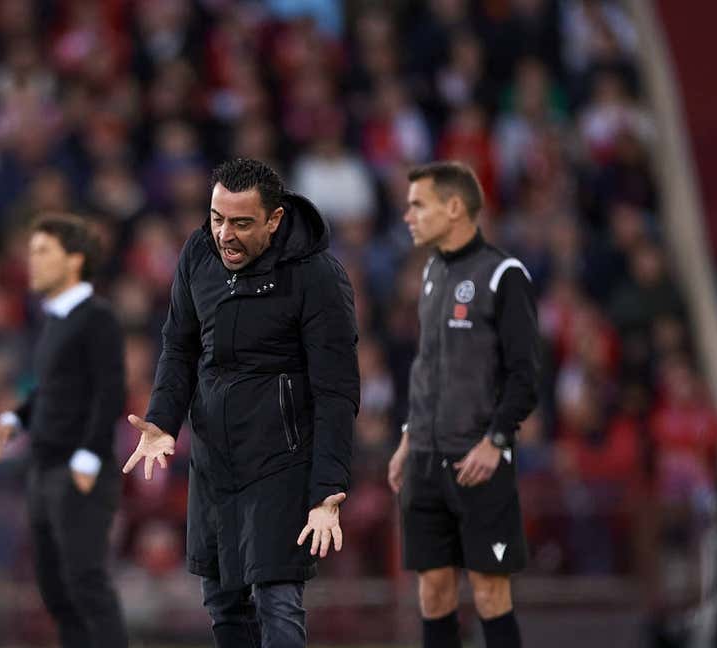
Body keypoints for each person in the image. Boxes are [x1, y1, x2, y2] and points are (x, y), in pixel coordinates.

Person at [121, 158, 359, 648]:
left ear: (274, 221)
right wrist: (163, 420)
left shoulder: (316, 277)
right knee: (224, 605)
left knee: (276, 598)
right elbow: (179, 346)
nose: (224, 234)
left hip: (282, 461)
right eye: (216, 218)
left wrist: (327, 489)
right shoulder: (198, 254)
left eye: (241, 223)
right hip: (214, 461)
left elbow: (336, 391)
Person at [388, 161, 541, 648]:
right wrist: (408, 439)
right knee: (432, 592)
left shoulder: (503, 275)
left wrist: (497, 440)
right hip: (425, 461)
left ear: (454, 207)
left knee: (490, 591)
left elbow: (526, 376)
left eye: (418, 205)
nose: (408, 215)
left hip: (479, 462)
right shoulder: (431, 272)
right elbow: (427, 369)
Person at [0, 214, 128, 648]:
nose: (32, 261)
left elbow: (110, 392)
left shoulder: (97, 317)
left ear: (74, 260)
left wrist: (88, 457)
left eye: (43, 251)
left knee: (85, 583)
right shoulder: (55, 321)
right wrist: (16, 419)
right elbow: (51, 390)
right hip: (44, 469)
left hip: (77, 469)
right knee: (56, 590)